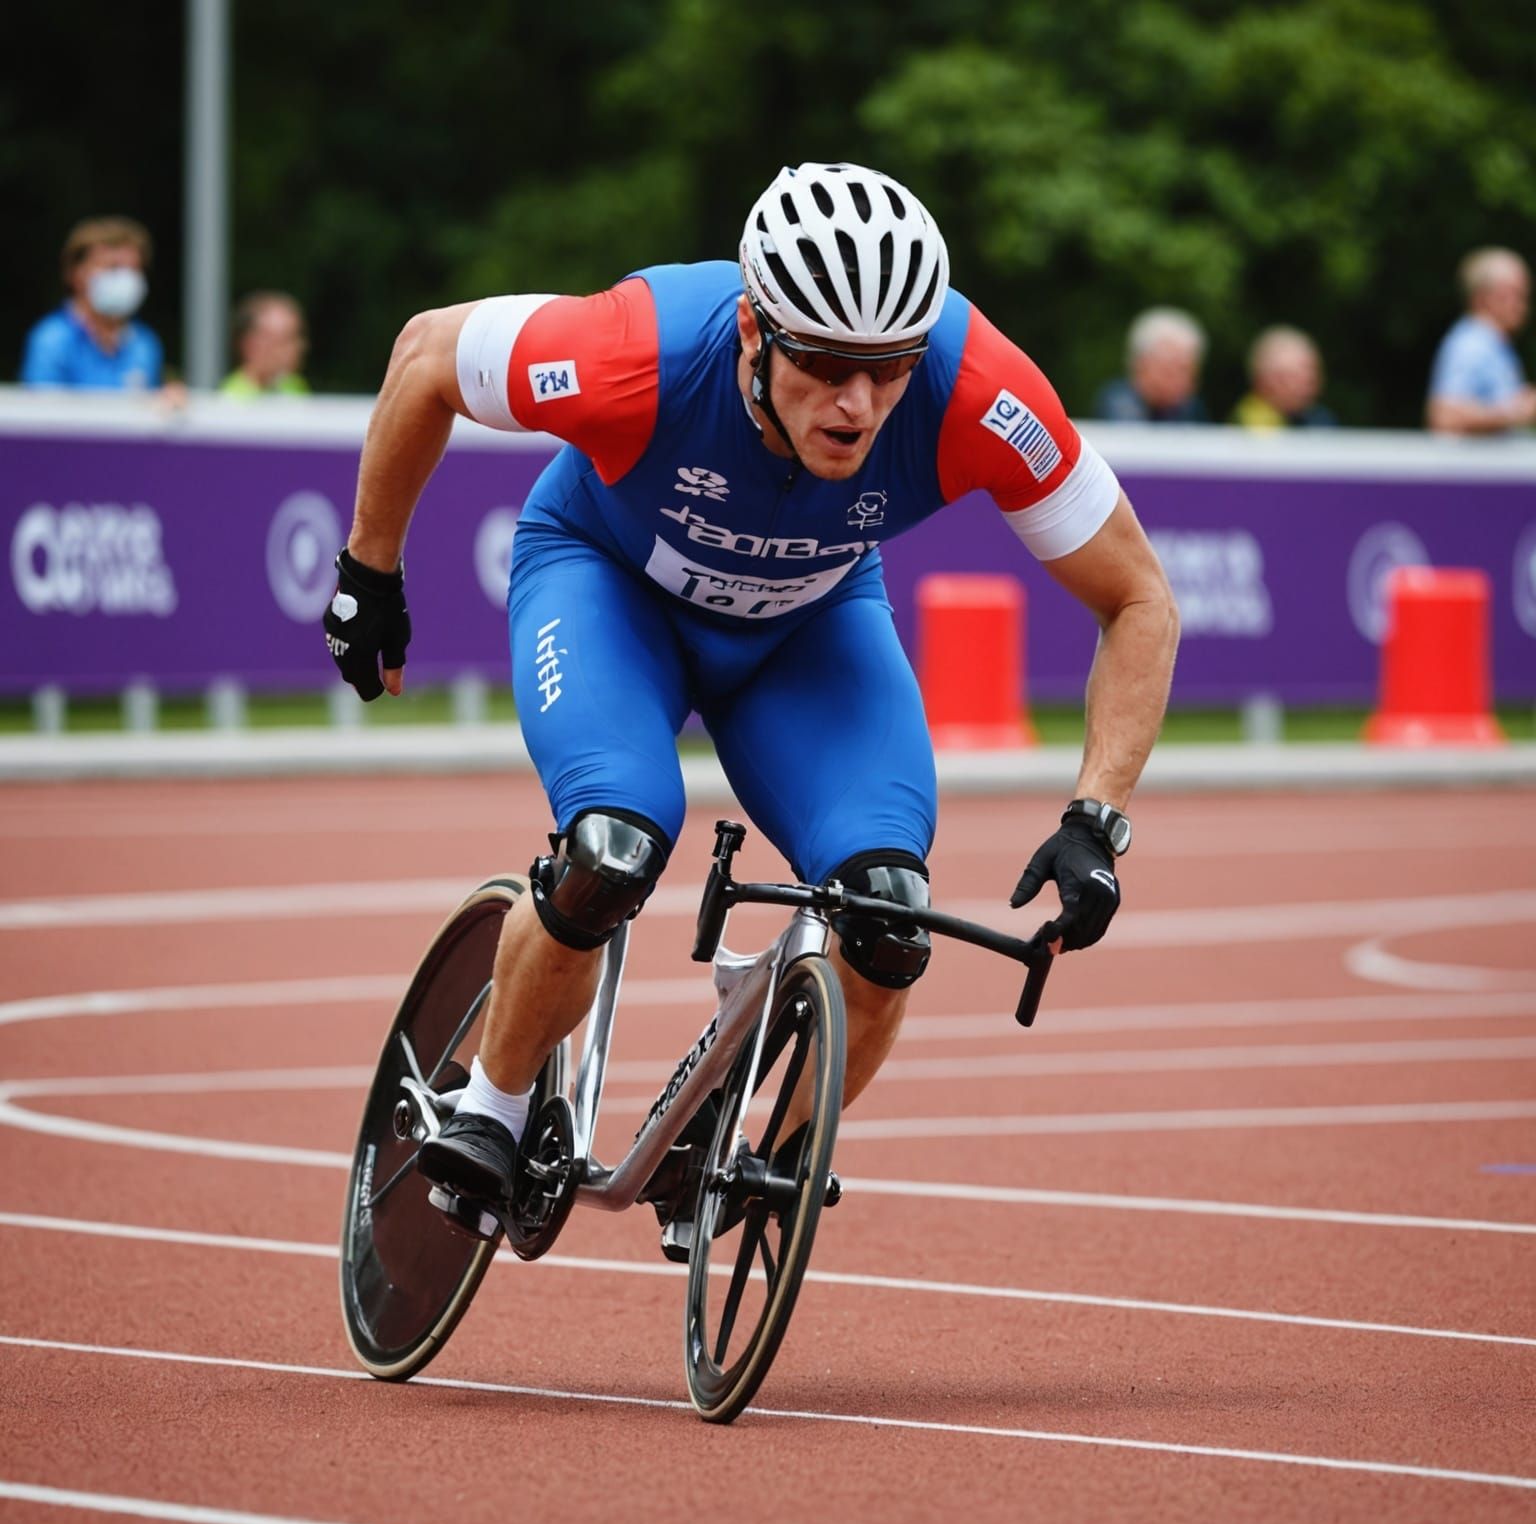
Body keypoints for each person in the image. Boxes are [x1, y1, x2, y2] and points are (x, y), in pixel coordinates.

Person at [324, 162, 1179, 1250]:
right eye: (822, 363)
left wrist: (1097, 817)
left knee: (890, 914)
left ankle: (759, 1157)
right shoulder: (636, 349)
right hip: (607, 586)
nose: (858, 402)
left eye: (888, 368)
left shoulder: (974, 388)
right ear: (751, 333)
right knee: (610, 852)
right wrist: (369, 571)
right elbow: (425, 356)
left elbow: (1139, 598)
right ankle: (490, 1106)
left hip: (806, 631)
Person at [20, 217, 166, 390]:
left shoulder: (144, 344)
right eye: (113, 267)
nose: (125, 278)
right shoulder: (52, 340)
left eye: (134, 269)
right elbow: (42, 404)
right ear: (76, 274)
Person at [1426, 247, 1536, 434]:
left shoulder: (1495, 344)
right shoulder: (1471, 344)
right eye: (1514, 293)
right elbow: (1444, 417)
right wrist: (1517, 410)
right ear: (1482, 297)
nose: (1523, 305)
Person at [1092, 307, 1209, 424]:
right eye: (1169, 370)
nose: (1182, 381)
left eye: (1189, 372)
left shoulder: (1191, 409)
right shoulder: (1118, 404)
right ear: (1141, 365)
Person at [1231, 326, 1337, 429]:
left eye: (1312, 377)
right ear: (1264, 381)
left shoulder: (1318, 418)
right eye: (1295, 377)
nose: (1308, 387)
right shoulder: (1250, 426)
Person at [221, 291, 311, 397]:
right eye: (287, 339)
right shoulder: (231, 398)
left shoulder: (295, 386)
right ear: (252, 344)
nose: (300, 346)